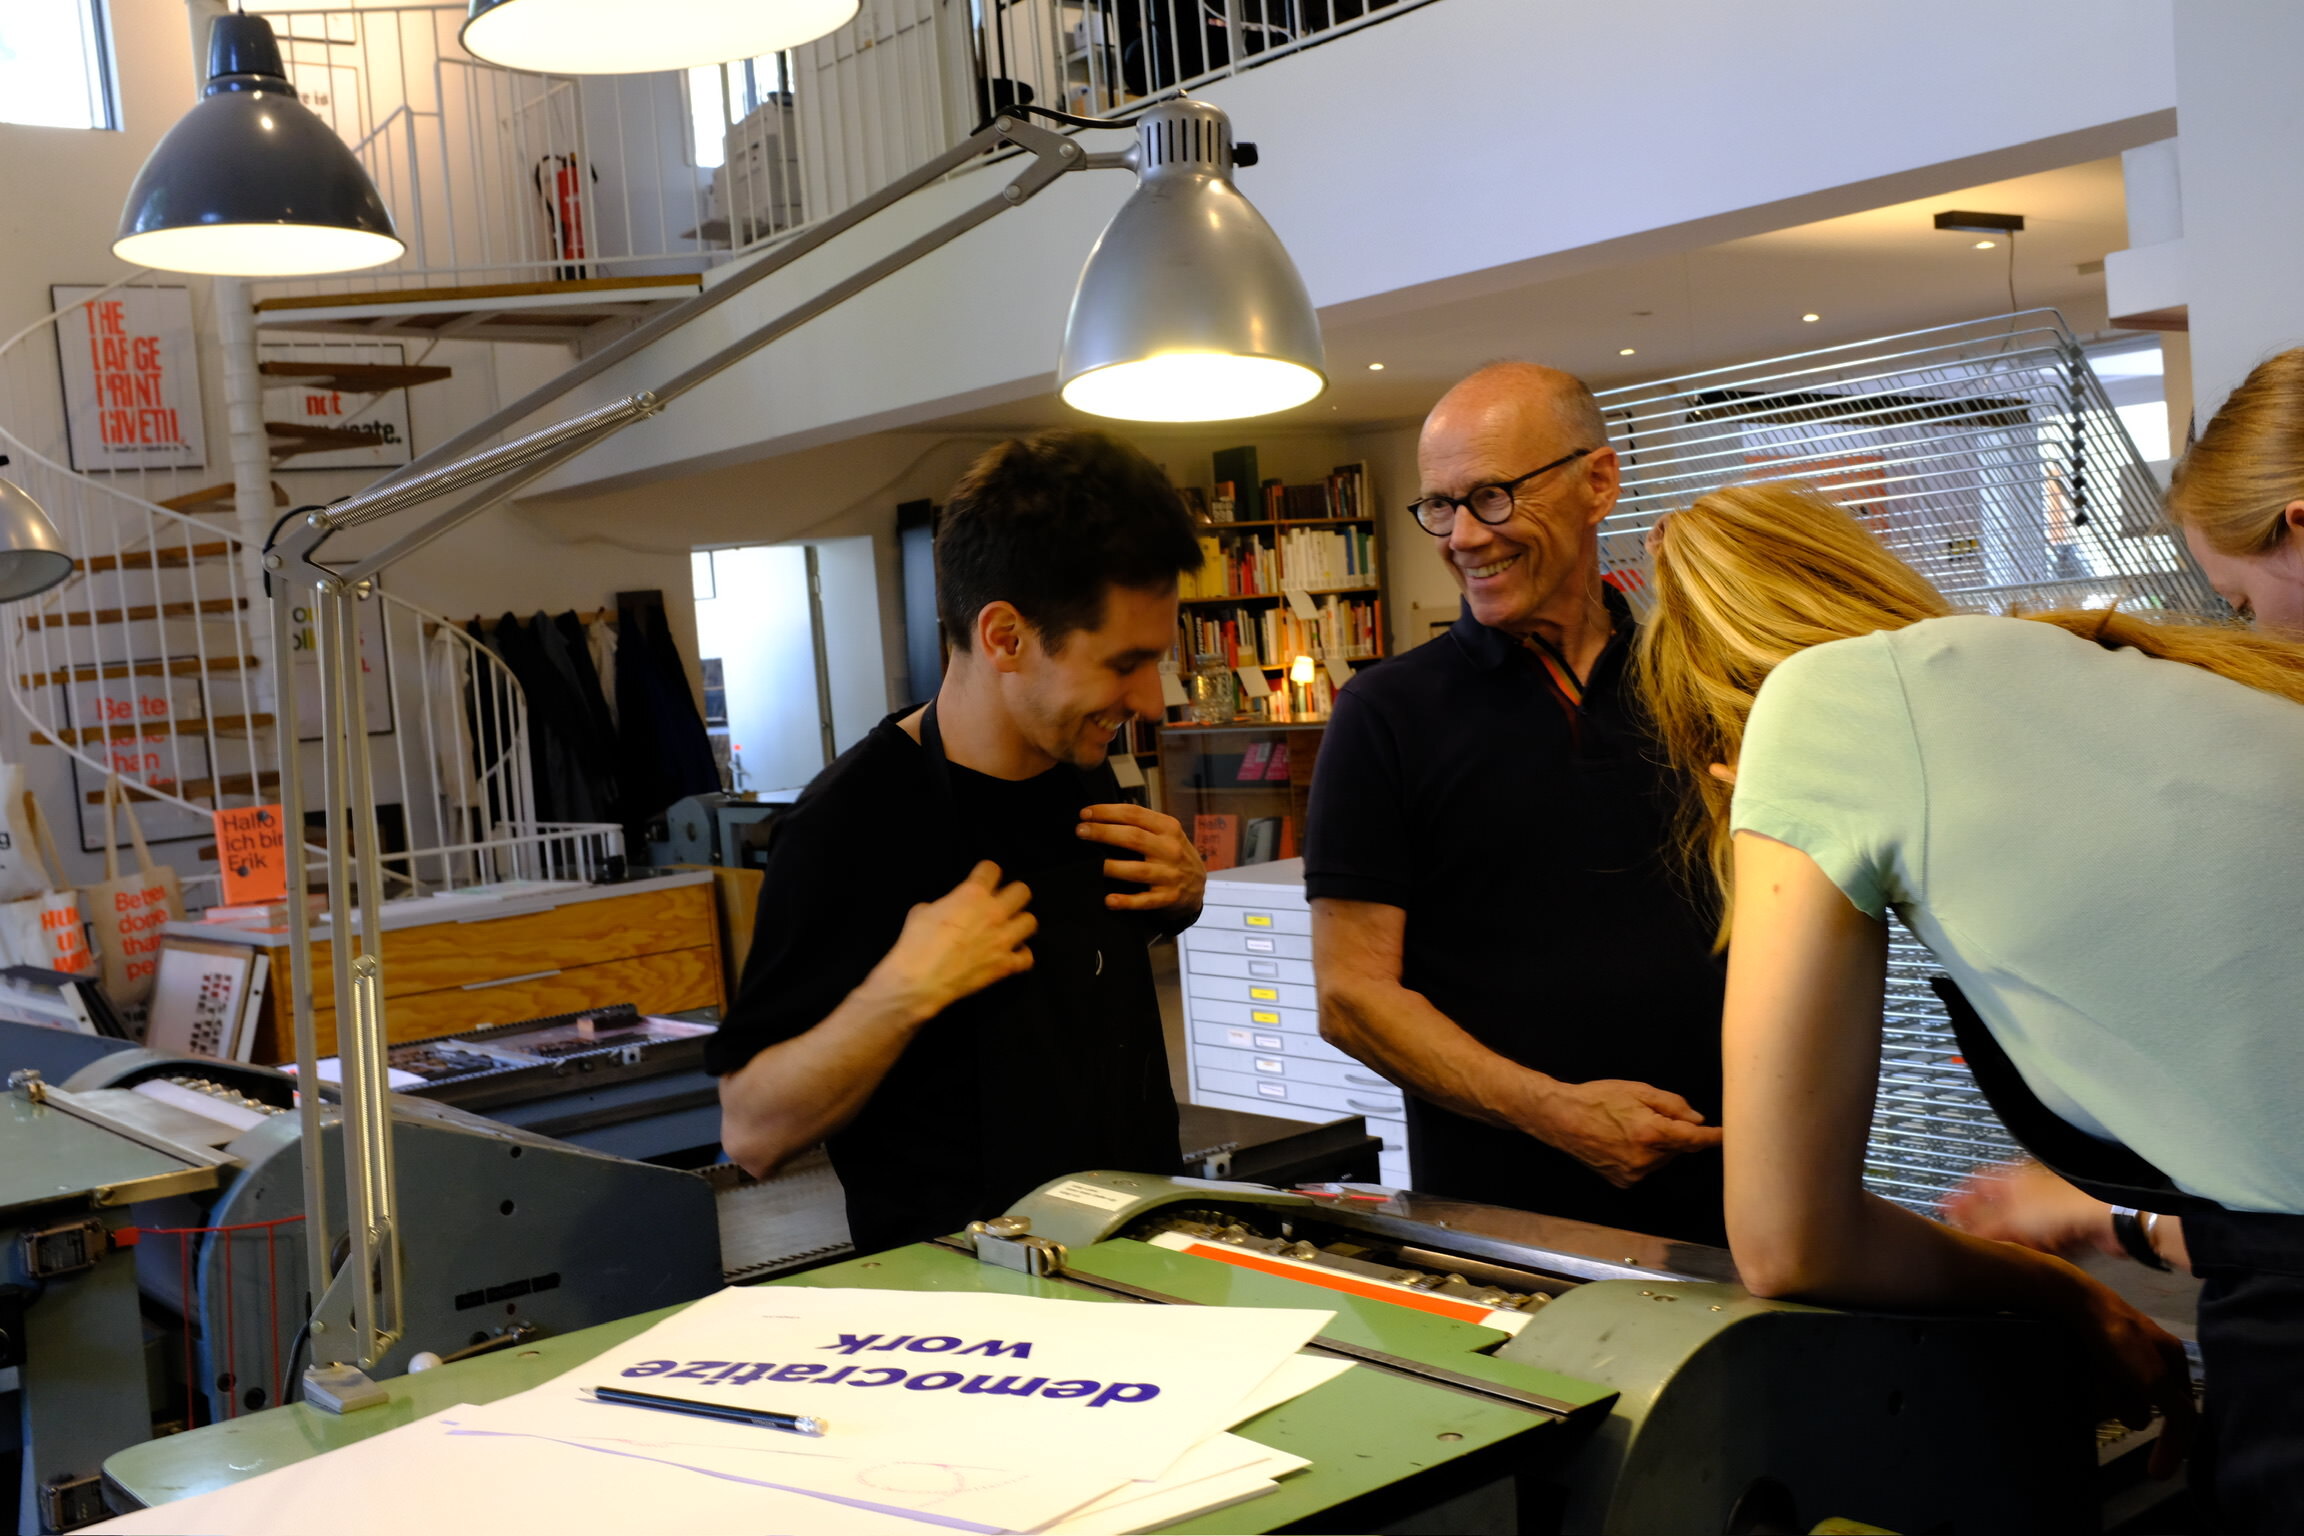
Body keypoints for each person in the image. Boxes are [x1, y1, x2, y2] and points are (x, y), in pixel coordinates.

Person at [1637, 479, 2304, 1531]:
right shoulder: (2099, 668)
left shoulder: (1812, 706)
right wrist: (2114, 1221)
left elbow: (1784, 1238)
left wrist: (2072, 1300)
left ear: (1727, 740)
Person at [708, 430, 1208, 1252]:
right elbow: (753, 1131)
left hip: (1143, 1258)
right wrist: (904, 990)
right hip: (964, 1325)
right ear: (1005, 636)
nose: (1152, 701)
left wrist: (1176, 898)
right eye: (1124, 664)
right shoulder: (846, 827)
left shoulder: (1080, 759)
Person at [1305, 362, 1730, 1246]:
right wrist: (1556, 1113)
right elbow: (1352, 996)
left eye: (1492, 497)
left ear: (1598, 483)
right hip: (1502, 1222)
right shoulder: (1385, 714)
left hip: (1732, 1204)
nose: (1461, 536)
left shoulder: (1700, 681)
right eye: (1439, 505)